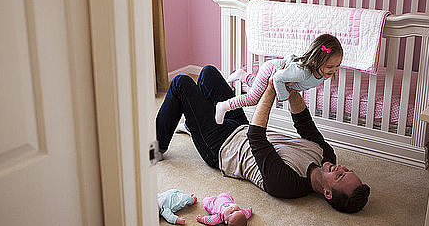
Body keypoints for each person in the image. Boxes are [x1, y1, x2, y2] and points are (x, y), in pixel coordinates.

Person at [156, 64, 370, 213]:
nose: (341, 168)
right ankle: (195, 122)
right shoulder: (326, 155)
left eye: (340, 177)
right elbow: (303, 121)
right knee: (208, 73)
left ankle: (156, 148)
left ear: (327, 193)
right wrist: (290, 86)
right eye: (347, 171)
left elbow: (256, 138)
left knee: (181, 83)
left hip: (222, 146)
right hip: (241, 126)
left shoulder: (288, 185)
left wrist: (271, 87)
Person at [215, 34, 343, 124]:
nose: (334, 70)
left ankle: (242, 75)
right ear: (315, 61)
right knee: (253, 98)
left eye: (337, 66)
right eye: (330, 66)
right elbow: (277, 78)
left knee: (260, 88)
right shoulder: (301, 73)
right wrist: (284, 96)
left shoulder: (323, 72)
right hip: (271, 70)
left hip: (281, 73)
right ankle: (223, 106)